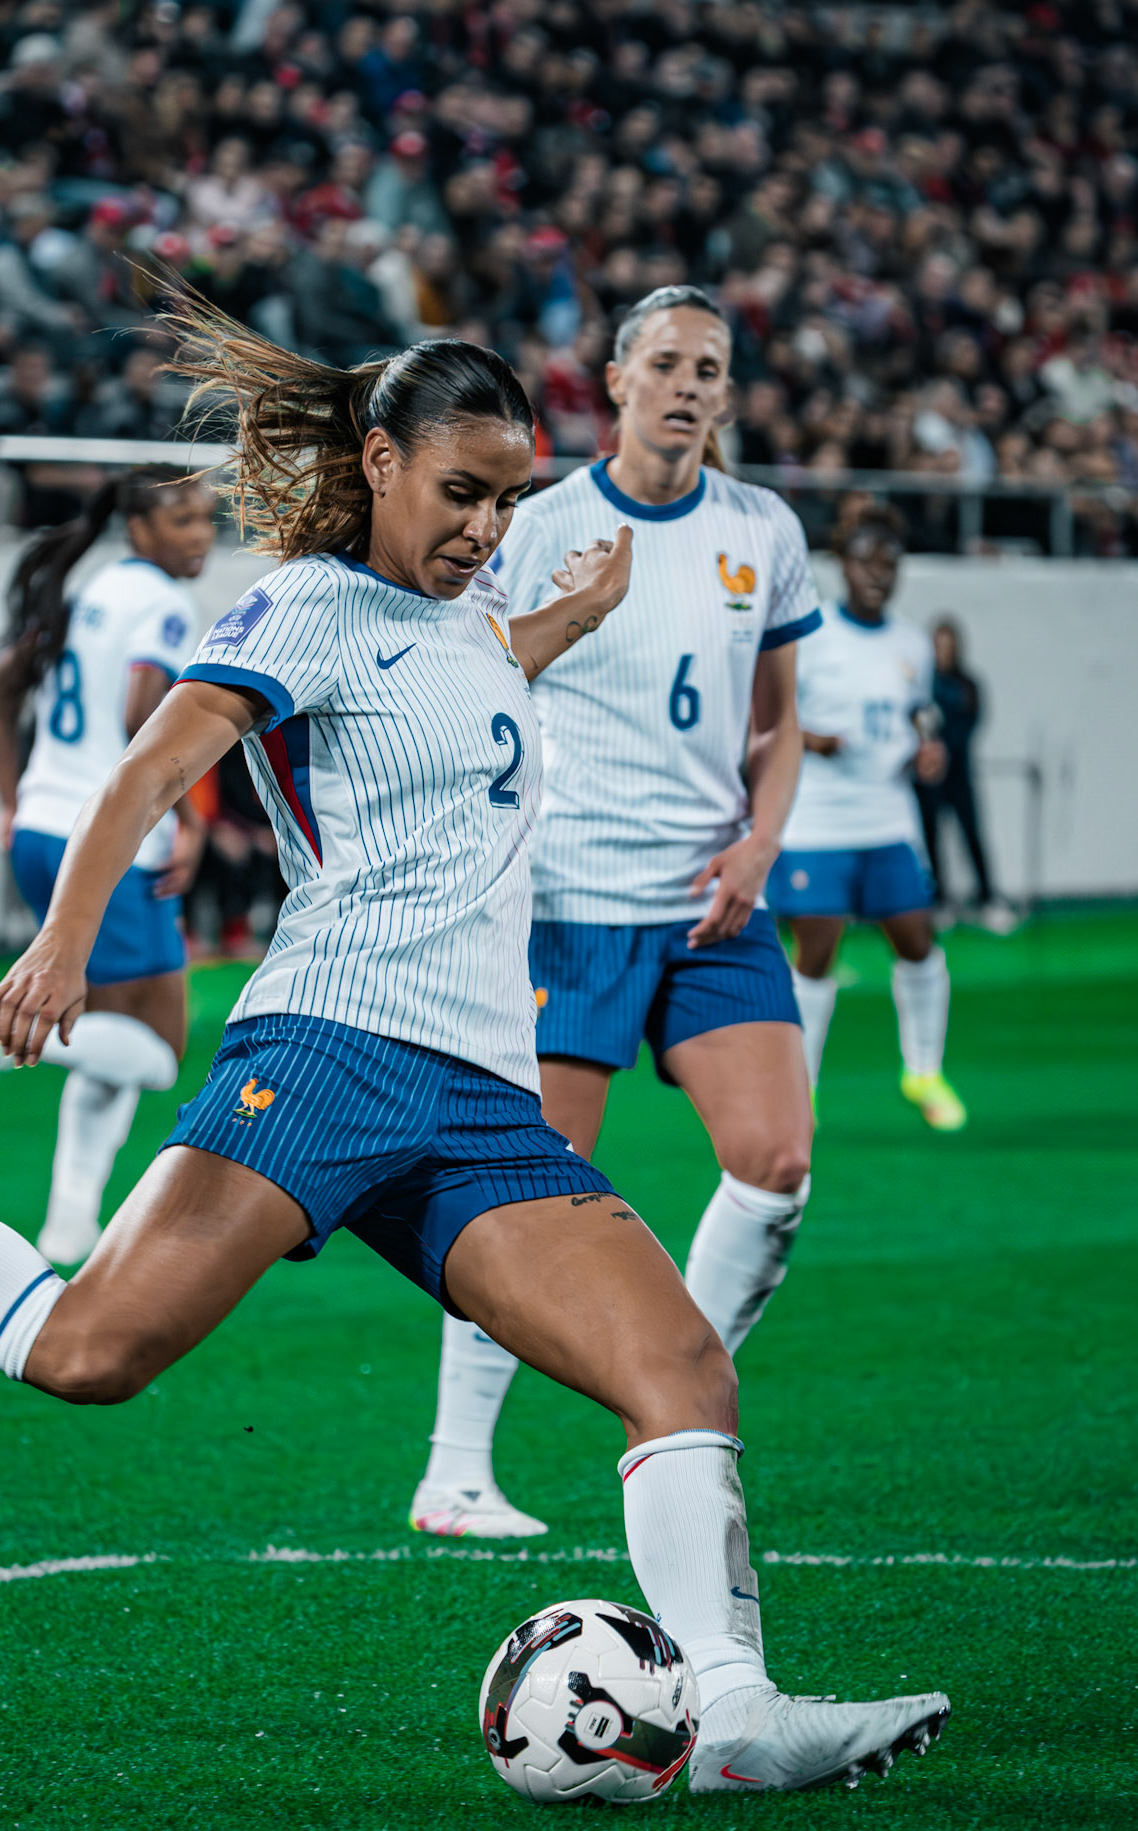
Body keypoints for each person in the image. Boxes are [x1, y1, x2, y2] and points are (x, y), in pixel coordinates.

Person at [0, 318, 949, 1796]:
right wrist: (60, 946)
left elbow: (480, 665)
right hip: (329, 1051)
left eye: (507, 502)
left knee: (678, 1369)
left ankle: (732, 1717)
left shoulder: (469, 619)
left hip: (477, 1097)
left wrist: (571, 620)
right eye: (460, 494)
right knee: (88, 1352)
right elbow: (154, 763)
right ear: (380, 460)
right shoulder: (307, 607)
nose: (485, 531)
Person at [412, 285, 819, 1543]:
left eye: (712, 365)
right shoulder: (541, 523)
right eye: (669, 361)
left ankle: (678, 1392)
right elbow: (466, 676)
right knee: (526, 1193)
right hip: (570, 903)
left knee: (776, 1162)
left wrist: (762, 838)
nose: (691, 382)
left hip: (713, 903)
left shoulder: (764, 528)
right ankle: (455, 1472)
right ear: (619, 378)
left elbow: (780, 720)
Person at [0, 468, 214, 1265]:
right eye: (181, 519)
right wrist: (193, 818)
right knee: (161, 1053)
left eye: (207, 518)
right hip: (110, 843)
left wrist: (11, 796)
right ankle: (1, 1022)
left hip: (42, 825)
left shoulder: (91, 588)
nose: (200, 534)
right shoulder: (164, 605)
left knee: (105, 1037)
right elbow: (147, 715)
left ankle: (71, 1219)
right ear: (138, 527)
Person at [767, 512, 967, 1131]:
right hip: (818, 821)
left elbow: (916, 718)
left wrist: (925, 749)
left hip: (888, 818)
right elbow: (767, 716)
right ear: (842, 565)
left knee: (917, 941)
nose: (878, 574)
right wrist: (811, 740)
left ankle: (924, 1071)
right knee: (818, 953)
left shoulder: (911, 642)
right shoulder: (811, 633)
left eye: (890, 563)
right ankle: (803, 1089)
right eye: (865, 561)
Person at [915, 618, 1010, 931]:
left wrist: (946, 748)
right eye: (937, 645)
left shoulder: (967, 684)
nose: (943, 652)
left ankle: (987, 898)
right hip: (929, 781)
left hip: (960, 774)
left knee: (972, 833)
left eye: (948, 645)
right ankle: (940, 900)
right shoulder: (923, 685)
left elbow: (971, 724)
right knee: (933, 839)